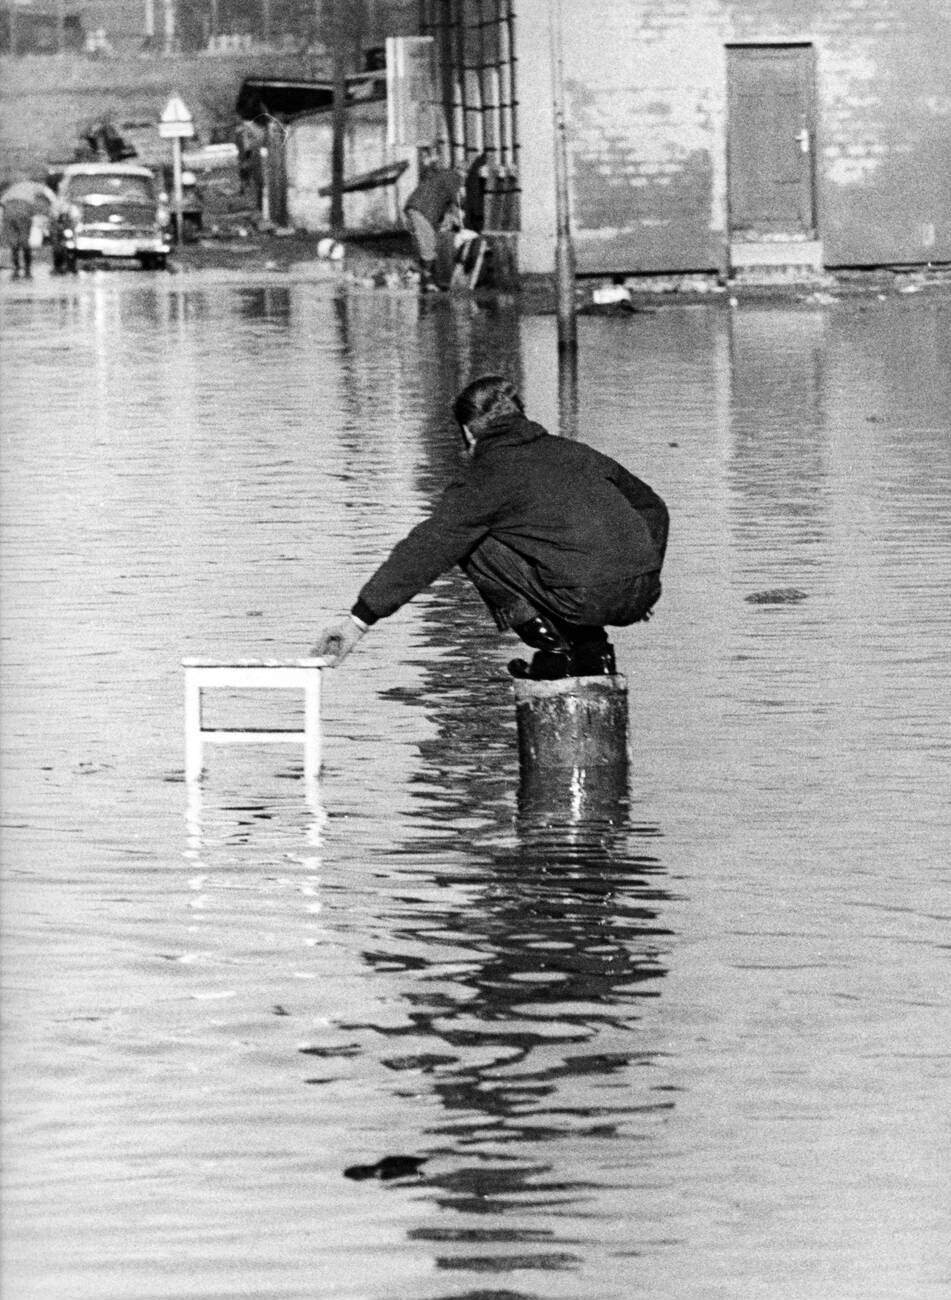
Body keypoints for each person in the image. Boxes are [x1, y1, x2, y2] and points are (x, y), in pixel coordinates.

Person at [315, 376, 669, 680]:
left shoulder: (484, 477)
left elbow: (424, 550)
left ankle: (556, 652)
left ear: (469, 433)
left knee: (469, 539)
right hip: (641, 593)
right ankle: (592, 652)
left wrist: (358, 622)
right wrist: (642, 571)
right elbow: (653, 508)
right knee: (552, 547)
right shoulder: (578, 453)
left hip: (585, 597)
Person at [402, 154, 462, 291]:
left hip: (417, 208)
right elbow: (457, 200)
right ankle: (427, 281)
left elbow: (444, 200)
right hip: (423, 210)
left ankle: (423, 277)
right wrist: (461, 217)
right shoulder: (455, 177)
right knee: (428, 245)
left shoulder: (443, 175)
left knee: (427, 244)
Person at [1, 178, 56, 281]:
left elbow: (3, 201)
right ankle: (27, 268)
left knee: (14, 242)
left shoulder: (14, 188)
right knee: (24, 240)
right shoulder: (36, 187)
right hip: (23, 211)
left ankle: (17, 268)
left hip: (8, 211)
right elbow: (48, 196)